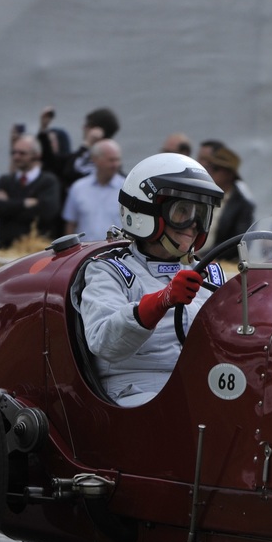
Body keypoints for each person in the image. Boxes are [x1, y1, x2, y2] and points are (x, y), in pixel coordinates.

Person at [76, 152, 222, 407]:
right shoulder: (109, 271)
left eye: (201, 213)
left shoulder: (211, 274)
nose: (194, 225)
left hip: (202, 388)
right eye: (182, 211)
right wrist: (160, 301)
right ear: (147, 212)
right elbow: (104, 342)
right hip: (137, 393)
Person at [0, 134, 61, 249]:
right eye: (14, 153)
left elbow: (47, 212)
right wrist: (24, 203)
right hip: (5, 247)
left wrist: (9, 204)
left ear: (36, 155)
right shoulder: (5, 181)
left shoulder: (48, 182)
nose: (16, 157)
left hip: (35, 249)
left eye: (22, 153)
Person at [199, 143, 254, 257]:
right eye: (209, 166)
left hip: (218, 262)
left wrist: (205, 256)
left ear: (229, 174)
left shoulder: (242, 205)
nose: (210, 171)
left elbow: (237, 242)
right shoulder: (204, 195)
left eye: (216, 168)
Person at [62, 138, 123, 239]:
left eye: (117, 160)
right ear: (95, 160)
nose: (115, 165)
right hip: (85, 252)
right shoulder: (78, 188)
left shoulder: (126, 188)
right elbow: (70, 224)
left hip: (118, 252)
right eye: (111, 160)